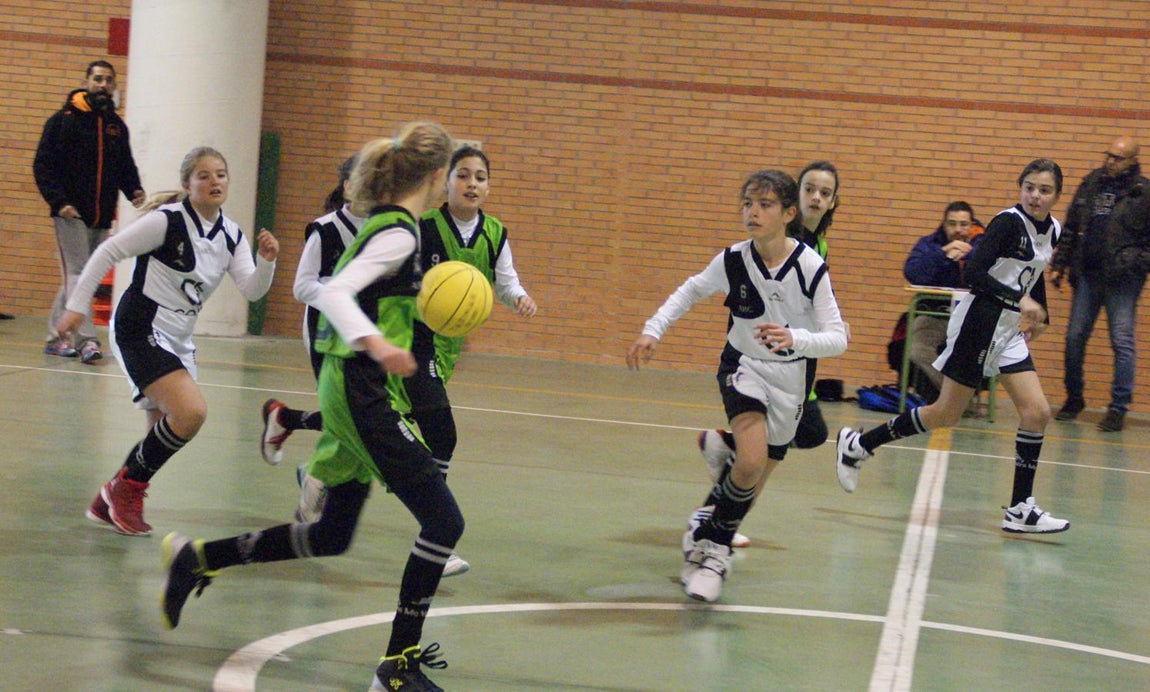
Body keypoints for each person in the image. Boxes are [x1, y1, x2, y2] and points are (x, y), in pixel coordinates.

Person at [160, 123, 461, 692]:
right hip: (360, 389)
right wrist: (376, 344)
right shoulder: (398, 232)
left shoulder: (394, 226)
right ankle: (397, 669)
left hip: (354, 385)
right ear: (436, 175)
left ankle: (199, 558)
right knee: (444, 520)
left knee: (331, 535)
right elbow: (335, 292)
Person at [627, 169, 848, 603]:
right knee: (750, 460)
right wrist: (653, 329)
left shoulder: (809, 266)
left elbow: (838, 337)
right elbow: (689, 292)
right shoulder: (731, 259)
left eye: (765, 204)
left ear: (788, 213)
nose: (753, 211)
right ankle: (714, 554)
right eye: (748, 203)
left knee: (757, 468)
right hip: (742, 366)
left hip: (792, 376)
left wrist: (796, 338)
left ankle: (708, 532)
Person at [835, 158, 1071, 535]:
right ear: (1020, 187)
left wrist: (1040, 314)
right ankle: (860, 444)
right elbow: (974, 272)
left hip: (1008, 328)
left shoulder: (1053, 229)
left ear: (1056, 195)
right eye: (1029, 187)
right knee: (945, 413)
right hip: (979, 322)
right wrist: (1019, 300)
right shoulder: (1008, 223)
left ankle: (1020, 508)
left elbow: (1034, 274)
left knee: (1037, 411)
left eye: (1044, 190)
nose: (1035, 196)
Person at [56, 146, 279, 536]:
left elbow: (252, 290)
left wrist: (267, 261)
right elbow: (107, 251)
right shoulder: (166, 222)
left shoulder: (231, 235)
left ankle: (108, 500)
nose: (215, 182)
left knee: (160, 436)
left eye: (221, 174)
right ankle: (120, 492)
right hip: (140, 326)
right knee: (191, 413)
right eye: (205, 175)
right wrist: (77, 306)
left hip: (178, 336)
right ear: (187, 184)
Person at [694, 160, 841, 548]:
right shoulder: (774, 238)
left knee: (800, 437)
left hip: (797, 360)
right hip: (763, 362)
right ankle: (718, 518)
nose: (816, 197)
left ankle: (724, 468)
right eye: (809, 188)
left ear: (832, 202)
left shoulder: (817, 248)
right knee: (769, 453)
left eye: (825, 193)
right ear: (795, 199)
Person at [258, 154, 363, 526]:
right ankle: (313, 490)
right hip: (324, 331)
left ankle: (284, 418)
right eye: (361, 178)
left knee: (358, 413)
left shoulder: (388, 230)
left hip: (365, 333)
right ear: (347, 186)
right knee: (346, 416)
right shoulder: (324, 229)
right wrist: (342, 291)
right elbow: (302, 287)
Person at [34, 59, 146, 363]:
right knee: (80, 275)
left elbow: (125, 166)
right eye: (97, 79)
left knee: (81, 277)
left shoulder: (115, 127)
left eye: (108, 80)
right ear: (86, 82)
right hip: (70, 213)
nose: (103, 84)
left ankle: (54, 337)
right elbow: (42, 166)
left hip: (101, 215)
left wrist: (134, 190)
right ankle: (86, 340)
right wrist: (59, 202)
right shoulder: (63, 121)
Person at [1049, 135, 1150, 432]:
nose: (1110, 161)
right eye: (1109, 155)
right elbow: (1072, 226)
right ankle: (1074, 398)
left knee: (1122, 341)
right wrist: (1059, 265)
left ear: (1133, 161)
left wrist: (1134, 263)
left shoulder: (1144, 193)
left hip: (1123, 280)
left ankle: (1118, 407)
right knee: (1074, 338)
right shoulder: (1091, 183)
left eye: (1118, 158)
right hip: (1088, 275)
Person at [902, 201, 982, 402]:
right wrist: (943, 253)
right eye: (952, 224)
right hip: (935, 314)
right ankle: (957, 397)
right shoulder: (929, 244)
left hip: (974, 318)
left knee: (1002, 353)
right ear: (944, 224)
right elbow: (912, 272)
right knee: (917, 350)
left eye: (963, 224)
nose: (958, 230)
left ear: (971, 225)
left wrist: (969, 254)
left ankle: (958, 395)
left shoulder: (985, 243)